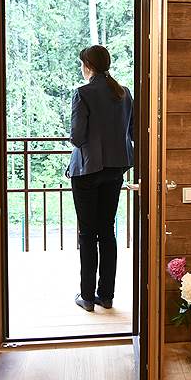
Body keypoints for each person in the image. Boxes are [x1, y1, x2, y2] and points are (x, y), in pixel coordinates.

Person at [66, 45, 134, 312]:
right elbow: (132, 132)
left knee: (87, 234)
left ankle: (87, 297)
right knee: (107, 232)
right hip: (115, 169)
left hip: (87, 171)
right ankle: (106, 295)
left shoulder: (82, 93)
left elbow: (77, 137)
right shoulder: (124, 93)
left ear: (88, 66)